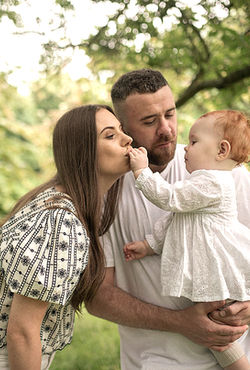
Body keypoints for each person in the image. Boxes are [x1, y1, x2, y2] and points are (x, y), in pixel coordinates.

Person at [85, 69, 250, 370]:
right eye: (149, 121)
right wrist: (181, 323)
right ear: (124, 128)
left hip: (239, 352)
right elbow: (97, 296)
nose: (167, 130)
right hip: (154, 362)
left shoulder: (225, 169)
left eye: (170, 114)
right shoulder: (104, 192)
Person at [0, 104, 133, 370]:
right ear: (83, 153)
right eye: (110, 135)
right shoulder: (61, 220)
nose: (128, 139)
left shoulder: (62, 202)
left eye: (121, 130)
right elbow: (23, 332)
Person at [123, 110, 250, 370]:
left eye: (193, 142)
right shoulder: (198, 182)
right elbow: (174, 219)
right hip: (210, 267)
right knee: (215, 327)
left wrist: (141, 172)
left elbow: (169, 199)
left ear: (222, 150)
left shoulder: (213, 182)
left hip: (220, 267)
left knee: (218, 327)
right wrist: (149, 246)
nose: (185, 149)